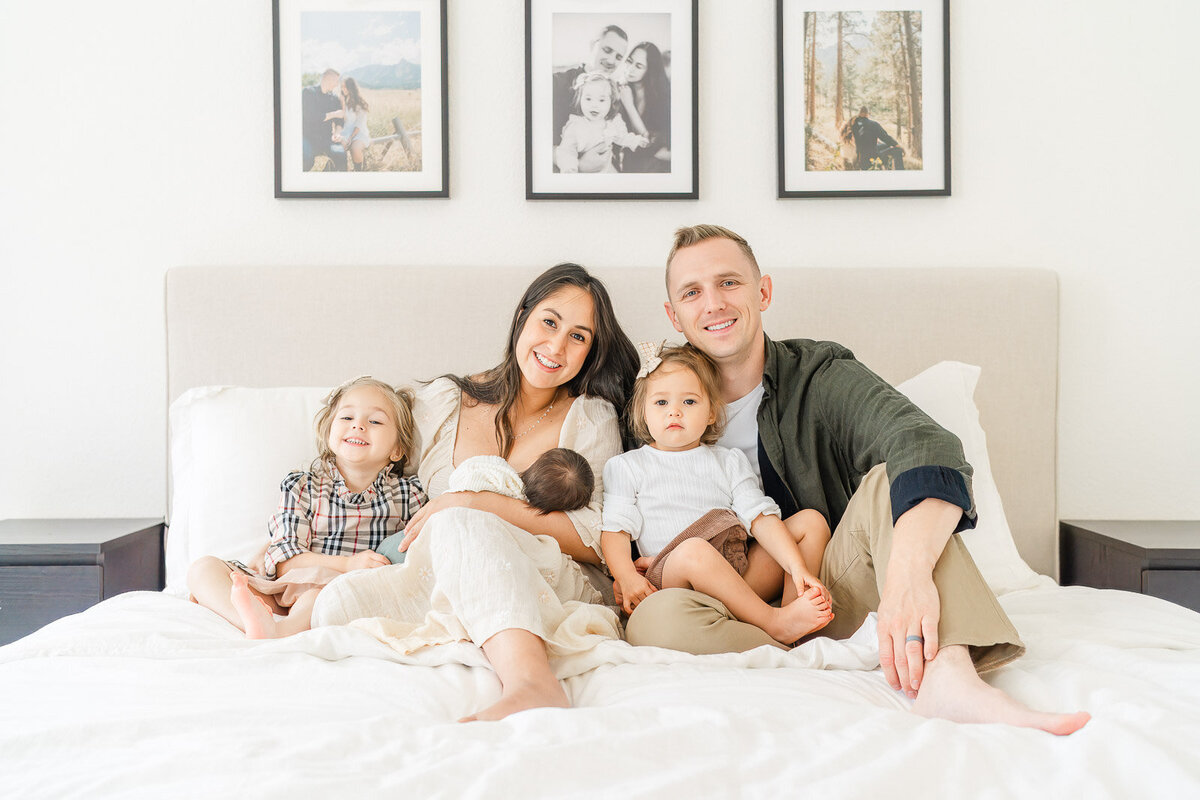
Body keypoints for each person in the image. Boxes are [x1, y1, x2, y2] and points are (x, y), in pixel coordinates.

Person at [627, 224, 1091, 736]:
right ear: (674, 315)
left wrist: (908, 579)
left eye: (729, 283)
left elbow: (922, 443)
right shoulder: (656, 397)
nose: (713, 303)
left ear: (763, 292)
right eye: (692, 292)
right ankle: (802, 642)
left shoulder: (819, 373)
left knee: (889, 483)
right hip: (723, 609)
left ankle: (949, 675)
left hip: (830, 591)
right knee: (654, 622)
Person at [311, 263, 640, 723]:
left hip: (547, 575)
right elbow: (366, 460)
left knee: (460, 520)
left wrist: (475, 503)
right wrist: (298, 546)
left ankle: (533, 684)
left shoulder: (589, 416)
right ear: (522, 315)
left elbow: (594, 540)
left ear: (591, 351)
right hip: (443, 571)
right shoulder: (443, 403)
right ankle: (475, 629)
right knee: (334, 605)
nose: (557, 346)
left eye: (579, 336)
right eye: (549, 321)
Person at [600, 343, 833, 645]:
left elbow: (759, 517)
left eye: (689, 401)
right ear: (642, 413)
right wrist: (627, 578)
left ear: (711, 412)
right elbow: (615, 531)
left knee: (811, 523)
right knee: (694, 551)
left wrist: (795, 566)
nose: (674, 411)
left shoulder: (729, 461)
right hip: (676, 580)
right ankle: (772, 622)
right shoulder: (628, 466)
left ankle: (793, 616)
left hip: (738, 573)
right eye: (660, 403)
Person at [186, 377, 427, 639]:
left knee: (318, 597)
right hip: (287, 587)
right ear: (328, 432)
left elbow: (421, 555)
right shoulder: (302, 487)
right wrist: (347, 564)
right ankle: (249, 618)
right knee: (203, 568)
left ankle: (278, 631)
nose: (358, 425)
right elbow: (284, 563)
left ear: (397, 449)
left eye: (375, 421)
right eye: (347, 418)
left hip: (346, 593)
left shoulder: (409, 495)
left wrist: (350, 574)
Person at [374, 448, 595, 564]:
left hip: (423, 534)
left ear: (535, 464)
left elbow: (467, 473)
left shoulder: (500, 473)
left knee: (394, 551)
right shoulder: (527, 521)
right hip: (439, 537)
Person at [552, 24, 629, 149]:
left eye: (618, 57)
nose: (611, 61)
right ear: (593, 45)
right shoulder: (556, 83)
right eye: (607, 50)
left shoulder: (615, 94)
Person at [555, 72, 647, 174]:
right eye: (588, 99)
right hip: (584, 173)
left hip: (606, 170)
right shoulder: (576, 126)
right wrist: (570, 168)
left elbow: (621, 137)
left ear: (611, 103)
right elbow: (566, 150)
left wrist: (636, 141)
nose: (594, 105)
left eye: (601, 100)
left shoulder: (611, 123)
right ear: (580, 99)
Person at [616, 42, 671, 173]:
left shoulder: (664, 99)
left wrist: (629, 106)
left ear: (649, 70)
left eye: (638, 66)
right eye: (629, 61)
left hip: (656, 172)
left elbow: (665, 151)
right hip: (627, 167)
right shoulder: (620, 90)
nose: (630, 69)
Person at [302, 68, 347, 171]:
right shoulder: (308, 93)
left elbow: (340, 120)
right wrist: (334, 114)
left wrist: (337, 133)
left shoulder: (334, 98)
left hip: (325, 139)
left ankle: (328, 182)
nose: (336, 85)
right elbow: (311, 117)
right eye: (336, 81)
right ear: (327, 78)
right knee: (307, 160)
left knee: (341, 155)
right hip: (307, 138)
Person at [841, 106, 905, 170]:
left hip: (861, 160)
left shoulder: (854, 124)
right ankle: (900, 173)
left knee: (885, 145)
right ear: (868, 114)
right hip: (872, 159)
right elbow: (885, 137)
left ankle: (886, 166)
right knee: (898, 150)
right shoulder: (873, 124)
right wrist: (897, 145)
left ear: (859, 113)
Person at [329, 76, 371, 171]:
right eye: (342, 87)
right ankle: (337, 171)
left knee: (355, 148)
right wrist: (342, 103)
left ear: (351, 88)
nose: (343, 89)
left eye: (345, 87)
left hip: (358, 133)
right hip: (344, 132)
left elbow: (359, 124)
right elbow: (339, 119)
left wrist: (351, 137)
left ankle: (358, 171)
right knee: (338, 149)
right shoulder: (341, 100)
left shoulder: (359, 104)